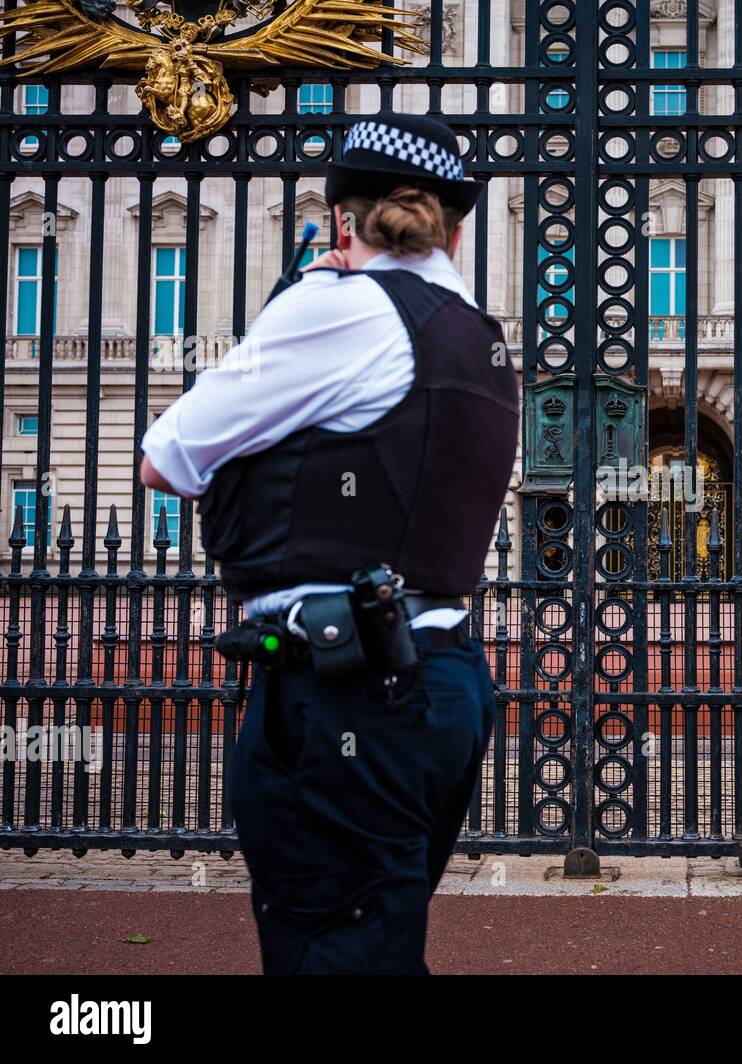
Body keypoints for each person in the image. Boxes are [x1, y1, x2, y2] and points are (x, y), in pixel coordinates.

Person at [139, 114, 520, 972]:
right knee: (375, 941)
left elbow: (167, 457)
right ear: (455, 229)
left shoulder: (338, 309)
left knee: (327, 954)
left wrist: (296, 301)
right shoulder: (481, 335)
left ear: (342, 220)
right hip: (443, 682)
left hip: (342, 690)